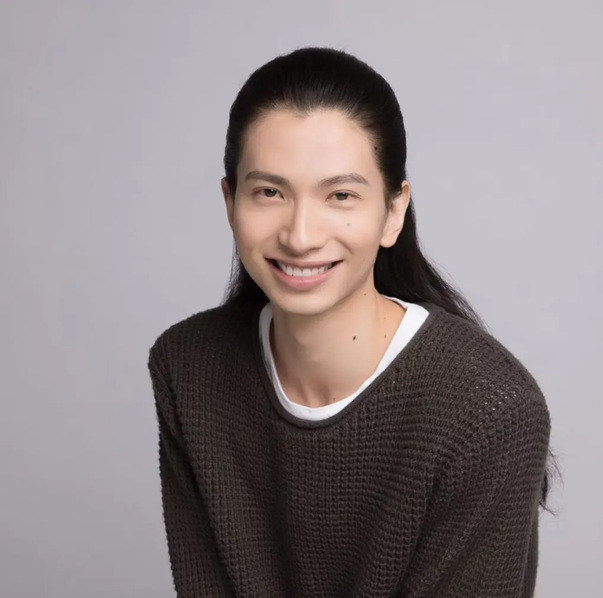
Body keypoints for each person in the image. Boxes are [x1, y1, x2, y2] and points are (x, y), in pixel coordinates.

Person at [147, 46, 554, 597]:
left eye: (340, 195)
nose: (301, 236)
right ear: (230, 202)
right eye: (269, 192)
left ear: (393, 212)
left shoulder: (489, 410)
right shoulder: (188, 367)